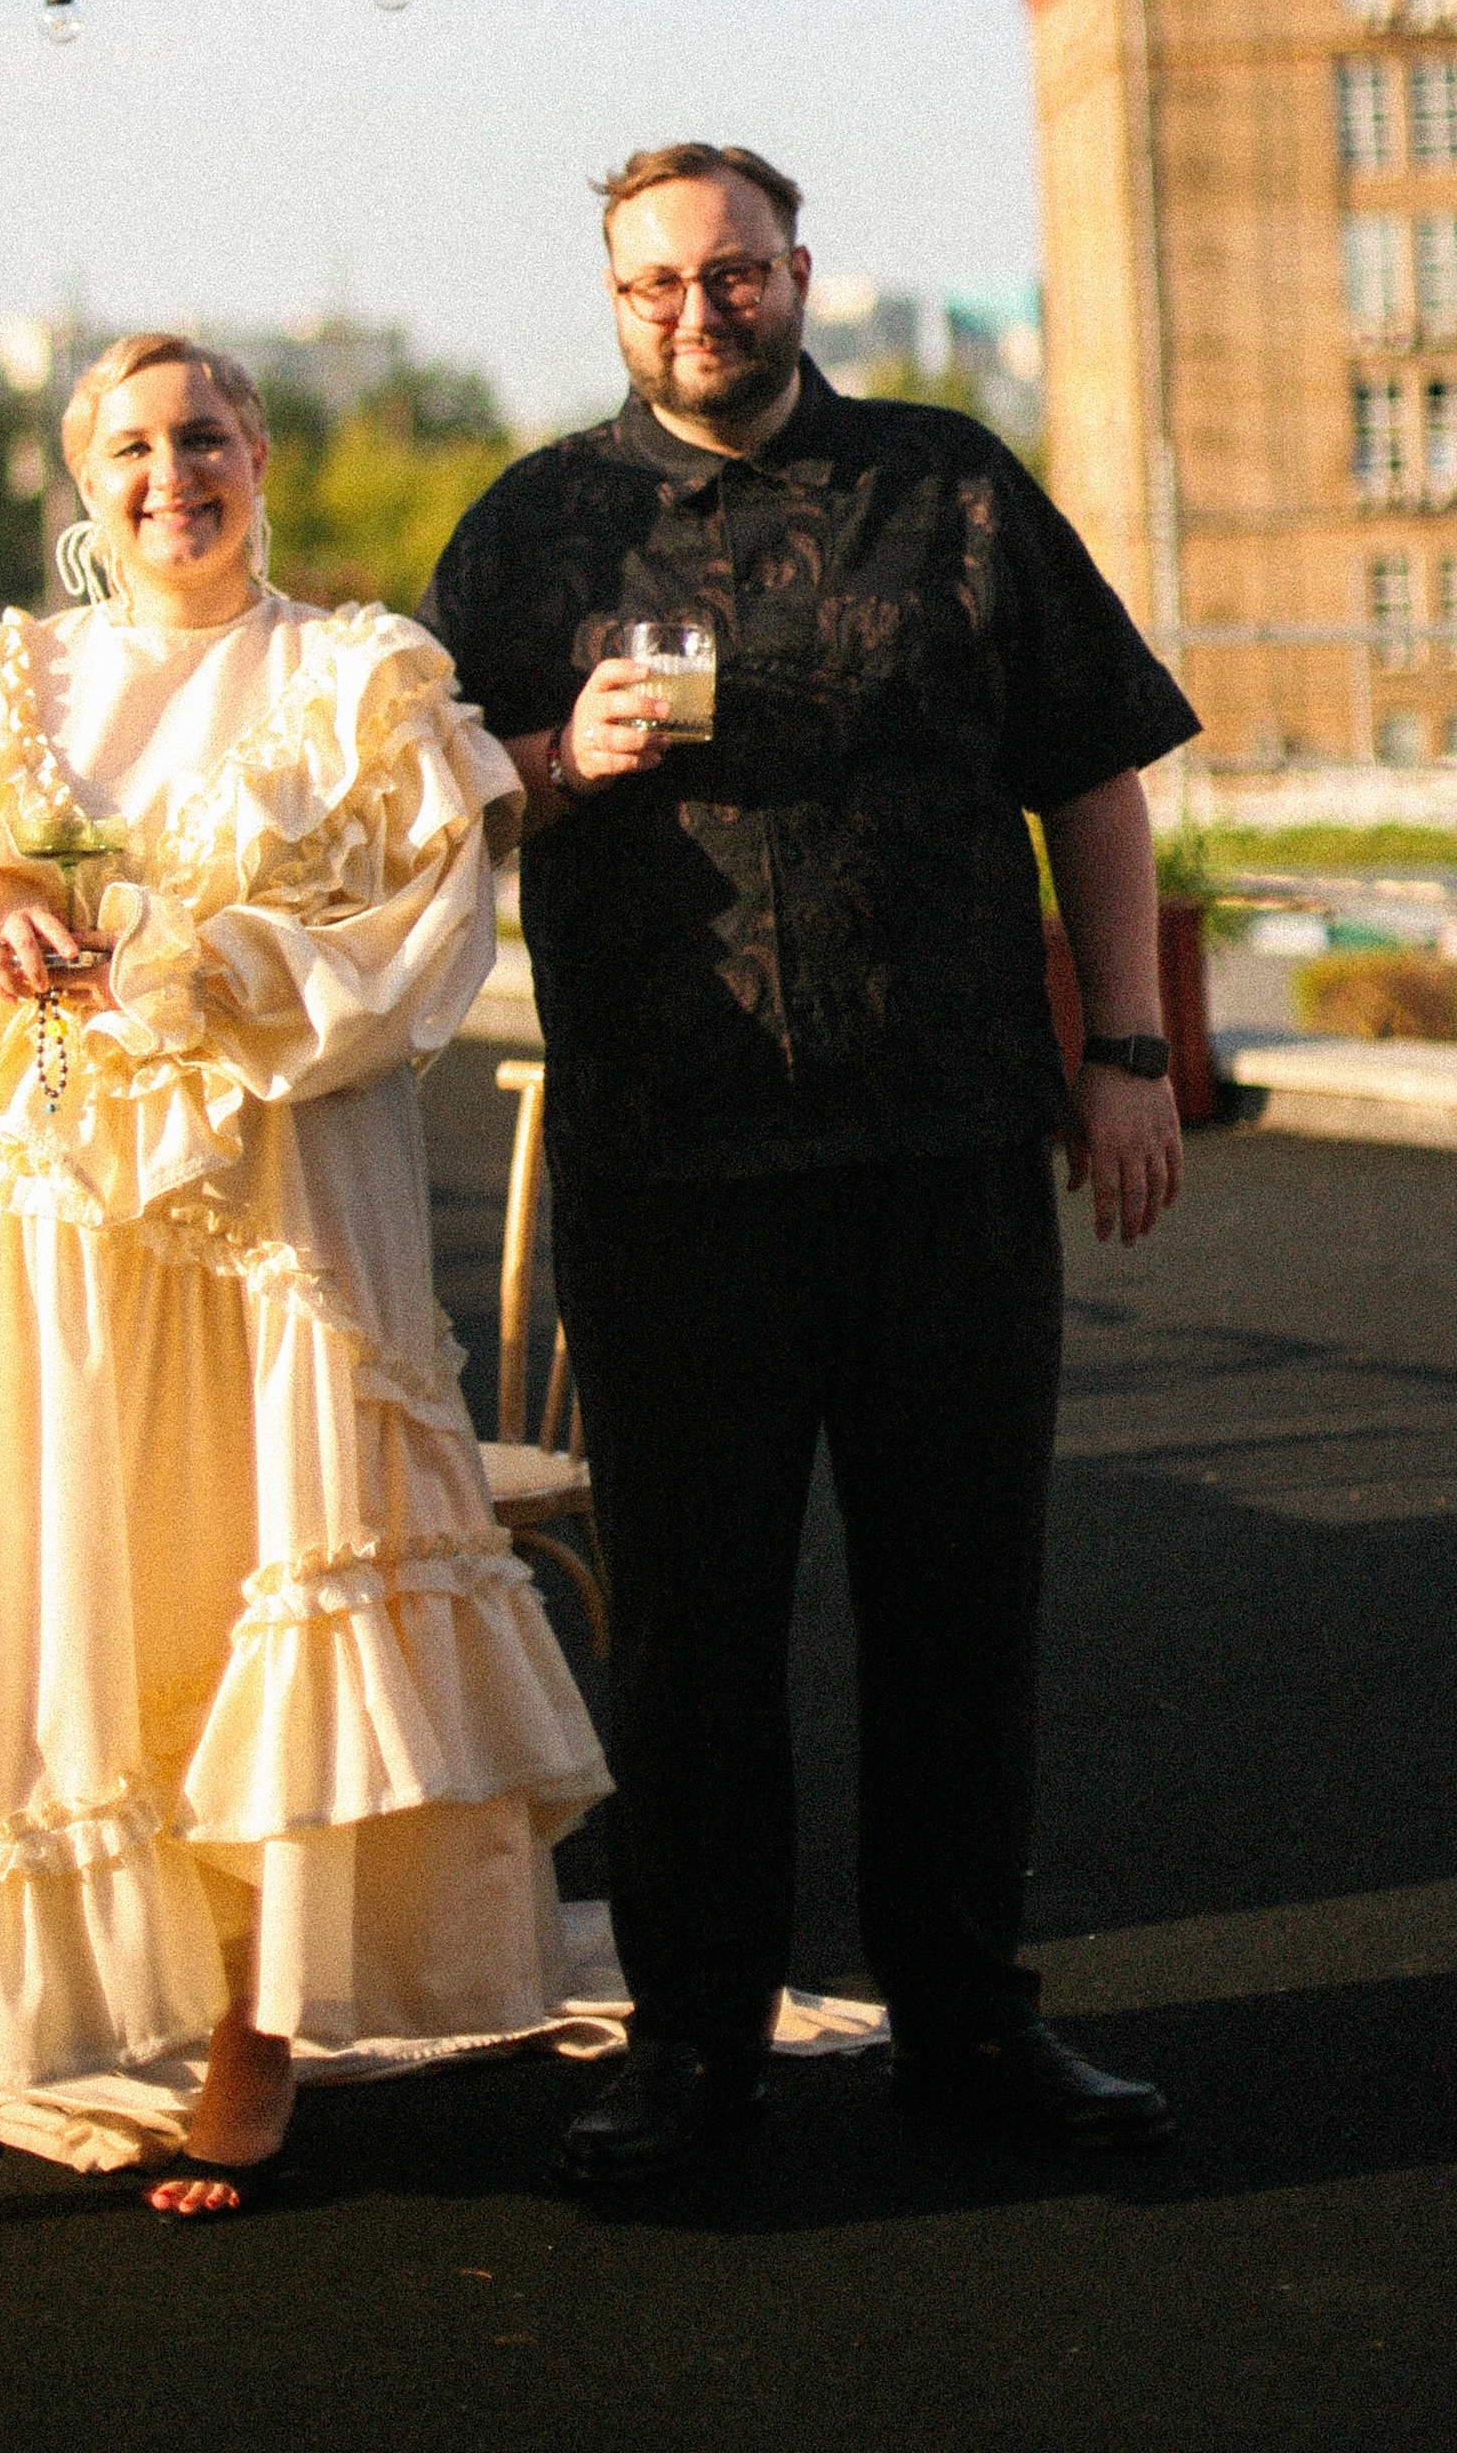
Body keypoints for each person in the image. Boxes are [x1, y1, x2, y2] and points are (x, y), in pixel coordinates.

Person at [0, 331, 606, 2226]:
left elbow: (421, 950)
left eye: (202, 434)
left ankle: (252, 2035)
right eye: (128, 446)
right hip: (38, 1218)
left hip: (279, 1218)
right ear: (83, 480)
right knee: (15, 1601)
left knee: (246, 1575)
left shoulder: (363, 680)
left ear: (258, 451)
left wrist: (189, 962)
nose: (169, 474)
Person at [420, 142, 1197, 2186]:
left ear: (796, 273)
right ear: (607, 303)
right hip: (667, 1168)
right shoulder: (530, 529)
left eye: (734, 271)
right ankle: (691, 2044)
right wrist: (545, 763)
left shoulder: (943, 484)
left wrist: (1121, 1054)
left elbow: (1091, 777)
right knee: (691, 1623)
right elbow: (402, 821)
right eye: (654, 282)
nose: (699, 309)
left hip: (944, 1143)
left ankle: (965, 2023)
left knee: (961, 1609)